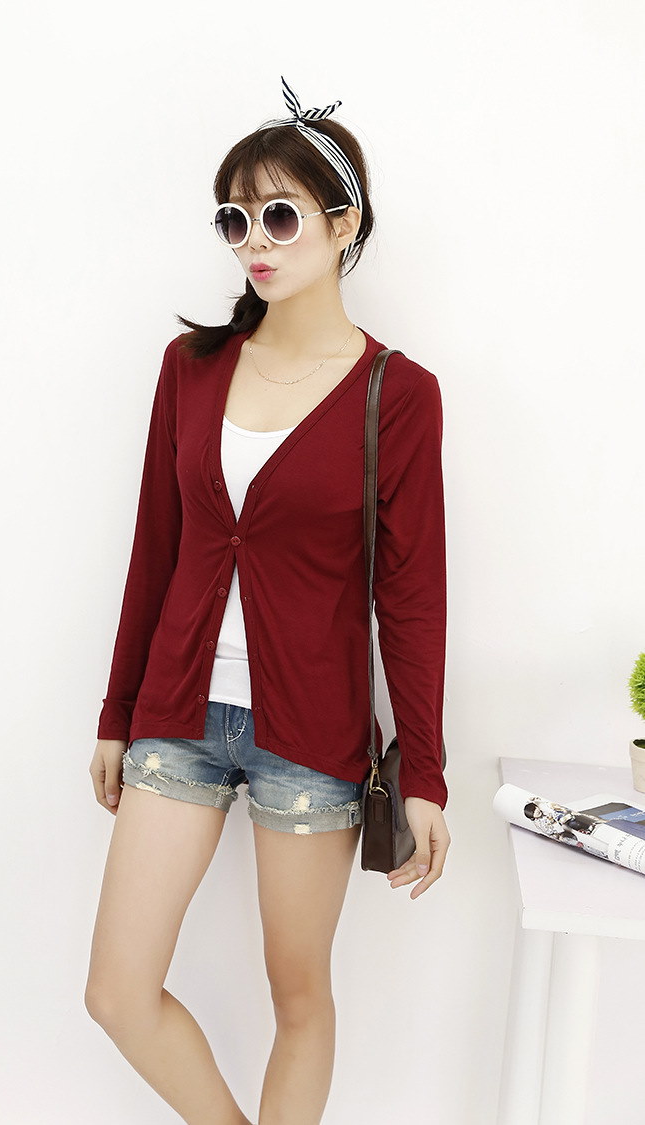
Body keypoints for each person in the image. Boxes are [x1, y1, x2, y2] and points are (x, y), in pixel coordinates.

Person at [84, 77, 452, 1125]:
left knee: (298, 996)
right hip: (179, 715)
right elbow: (155, 551)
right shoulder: (193, 369)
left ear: (344, 225)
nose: (255, 241)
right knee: (116, 991)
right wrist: (117, 710)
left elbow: (412, 597)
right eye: (235, 219)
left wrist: (423, 769)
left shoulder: (398, 394)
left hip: (313, 735)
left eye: (280, 216)